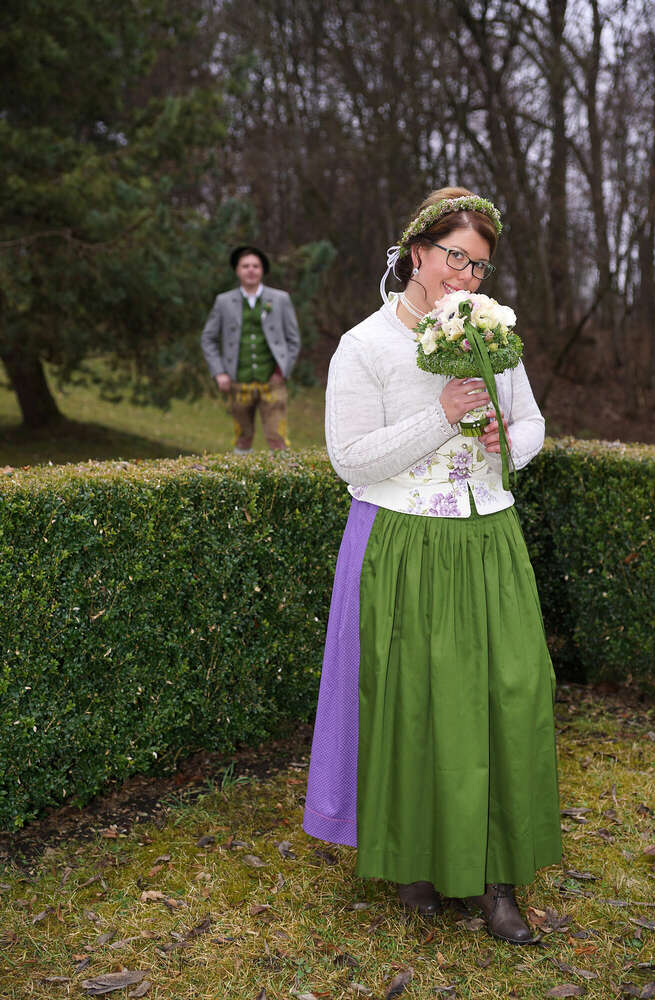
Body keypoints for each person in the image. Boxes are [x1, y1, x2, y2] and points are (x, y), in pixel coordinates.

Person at [303, 187, 561, 944]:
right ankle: (417, 859)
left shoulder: (494, 337)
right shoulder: (366, 345)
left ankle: (496, 880)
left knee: (507, 696)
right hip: (405, 543)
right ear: (416, 252)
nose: (467, 279)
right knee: (416, 704)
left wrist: (505, 445)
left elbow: (532, 422)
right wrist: (441, 413)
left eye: (479, 267)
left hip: (488, 541)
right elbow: (349, 460)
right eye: (456, 258)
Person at [201, 246, 301, 453]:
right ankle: (243, 482)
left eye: (256, 266)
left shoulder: (281, 299)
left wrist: (282, 372)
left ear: (262, 270)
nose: (251, 270)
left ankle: (283, 480)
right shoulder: (223, 301)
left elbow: (293, 340)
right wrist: (219, 372)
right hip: (238, 382)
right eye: (245, 266)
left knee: (277, 438)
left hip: (273, 383)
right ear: (237, 270)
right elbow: (208, 338)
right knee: (242, 438)